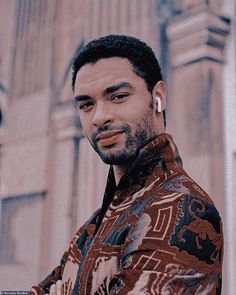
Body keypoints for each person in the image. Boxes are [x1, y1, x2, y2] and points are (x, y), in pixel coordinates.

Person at [30, 35, 223, 294]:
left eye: (118, 96)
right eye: (86, 105)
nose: (99, 117)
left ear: (158, 97)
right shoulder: (92, 227)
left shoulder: (183, 208)